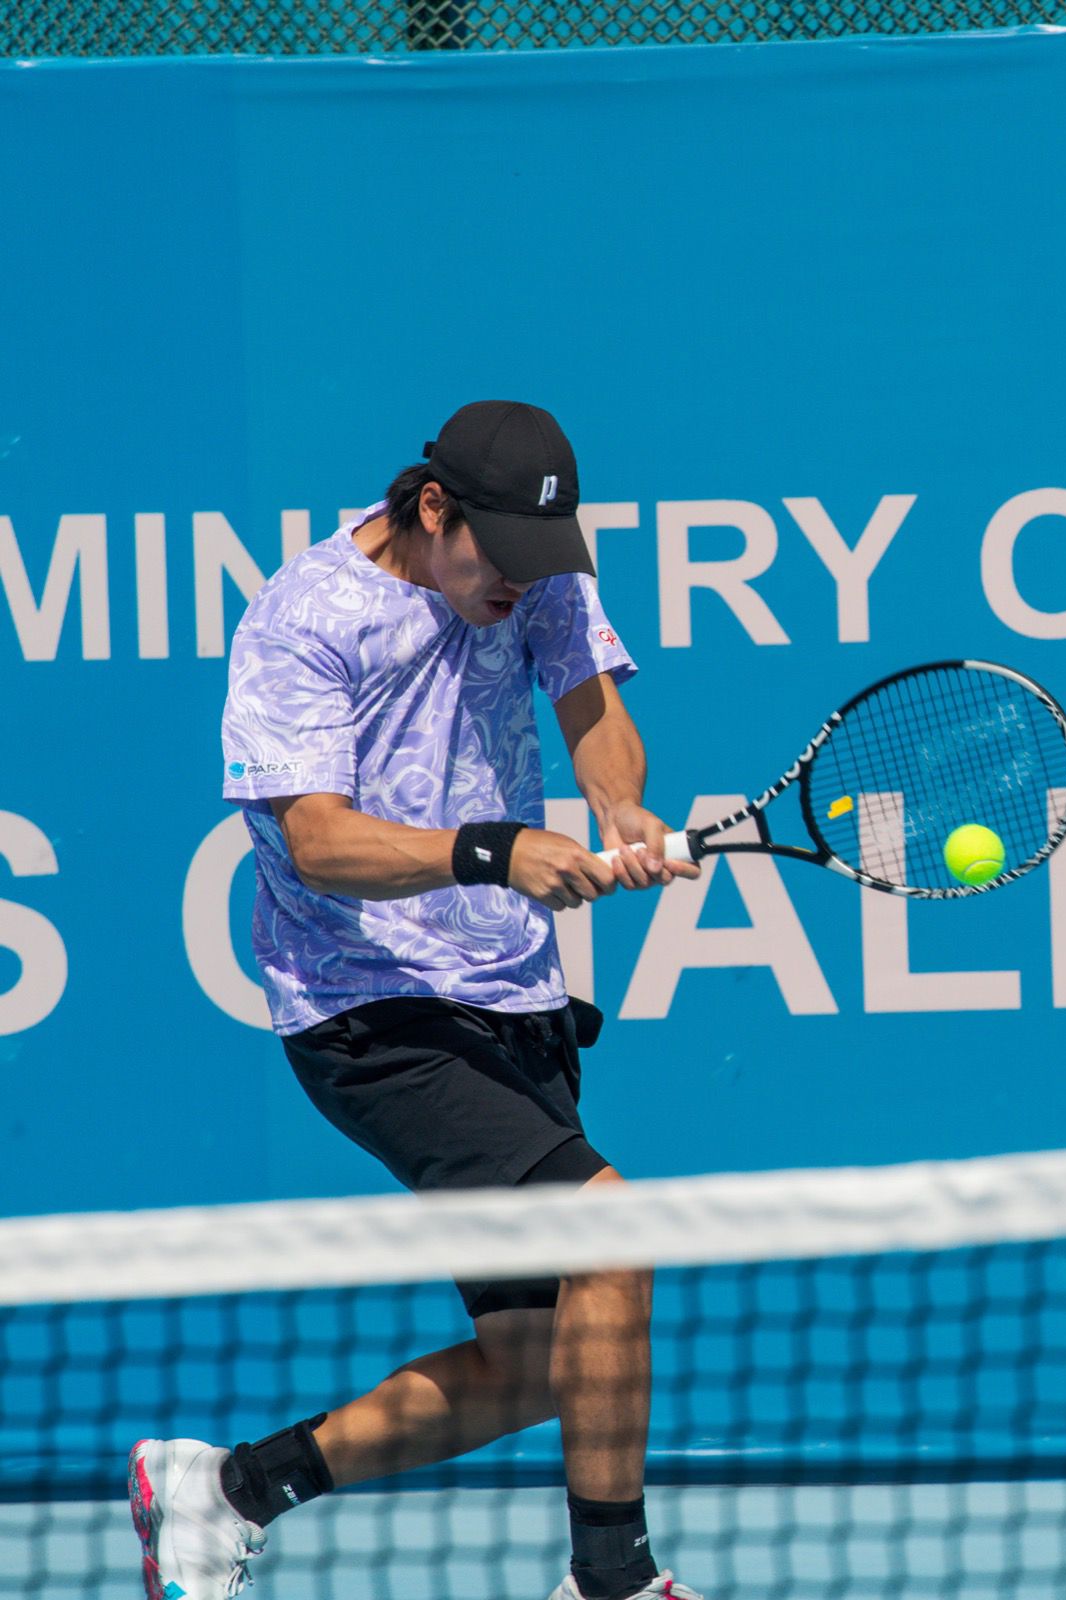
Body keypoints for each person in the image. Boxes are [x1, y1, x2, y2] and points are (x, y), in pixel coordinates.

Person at [128, 401, 703, 1600]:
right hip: (368, 1007)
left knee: (539, 1360)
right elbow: (318, 841)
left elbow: (593, 707)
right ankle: (612, 1581)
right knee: (612, 1235)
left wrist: (621, 807)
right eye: (498, 556)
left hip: (512, 999)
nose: (519, 582)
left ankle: (230, 1489)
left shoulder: (529, 569)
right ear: (432, 508)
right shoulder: (302, 619)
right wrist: (494, 851)